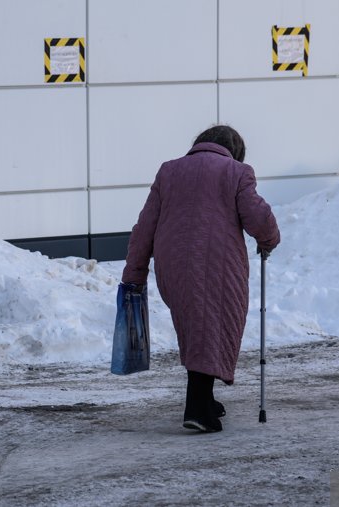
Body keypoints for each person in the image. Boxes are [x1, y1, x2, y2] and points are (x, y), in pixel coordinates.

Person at [122, 125, 280, 433]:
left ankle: (205, 400)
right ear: (235, 150)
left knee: (197, 327)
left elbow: (145, 226)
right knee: (209, 328)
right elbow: (258, 217)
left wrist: (135, 272)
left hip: (173, 263)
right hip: (216, 262)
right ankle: (197, 408)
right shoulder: (237, 171)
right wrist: (268, 239)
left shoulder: (169, 171)